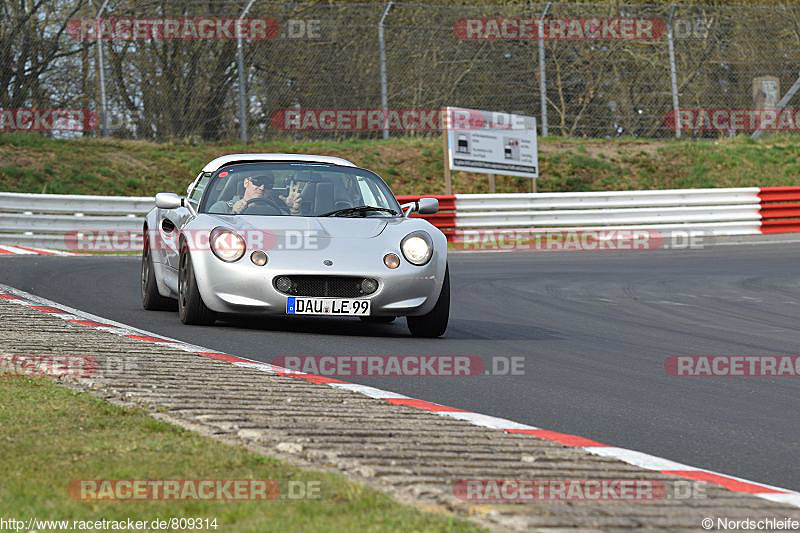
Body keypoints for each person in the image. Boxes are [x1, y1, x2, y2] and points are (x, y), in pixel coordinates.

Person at [211, 174, 301, 215]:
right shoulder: (222, 208)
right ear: (246, 182)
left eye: (268, 185)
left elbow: (296, 232)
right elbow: (210, 231)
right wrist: (232, 213)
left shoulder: (277, 212)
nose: (262, 188)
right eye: (258, 182)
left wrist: (294, 211)